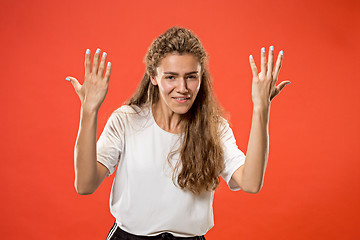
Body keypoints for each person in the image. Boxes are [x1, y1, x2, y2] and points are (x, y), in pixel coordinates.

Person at [66, 26, 290, 240]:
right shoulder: (126, 120)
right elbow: (85, 185)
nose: (182, 87)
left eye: (191, 76)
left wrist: (261, 108)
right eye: (171, 77)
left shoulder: (215, 128)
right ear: (154, 77)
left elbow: (250, 183)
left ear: (201, 77)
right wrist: (89, 110)